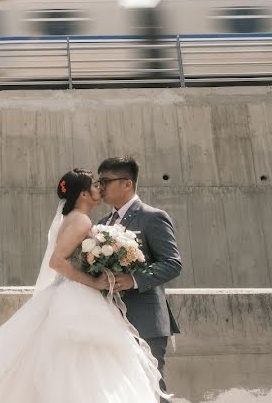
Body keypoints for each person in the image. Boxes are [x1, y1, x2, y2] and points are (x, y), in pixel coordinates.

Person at [0, 169, 168, 403]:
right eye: (94, 185)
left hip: (74, 295)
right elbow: (57, 261)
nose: (99, 189)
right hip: (78, 296)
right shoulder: (80, 221)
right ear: (83, 194)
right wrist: (93, 281)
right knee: (81, 362)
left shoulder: (75, 218)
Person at [96, 156, 181, 397]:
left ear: (127, 184)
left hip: (146, 320)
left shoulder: (153, 217)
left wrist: (133, 280)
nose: (99, 187)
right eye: (98, 181)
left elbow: (172, 264)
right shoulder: (102, 224)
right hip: (112, 321)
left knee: (153, 390)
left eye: (105, 181)